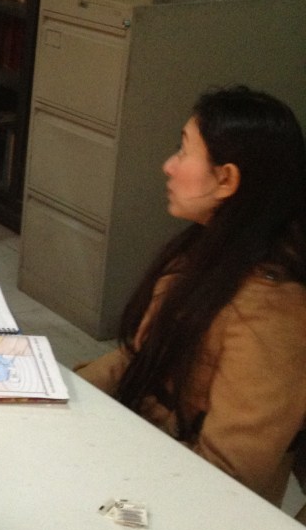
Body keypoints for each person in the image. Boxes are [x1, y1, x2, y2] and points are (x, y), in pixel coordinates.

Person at [77, 86, 306, 504]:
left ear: (227, 179)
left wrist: (115, 467)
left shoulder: (272, 313)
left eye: (184, 151)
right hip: (134, 453)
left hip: (178, 500)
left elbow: (230, 476)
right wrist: (61, 392)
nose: (168, 166)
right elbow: (136, 358)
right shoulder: (207, 250)